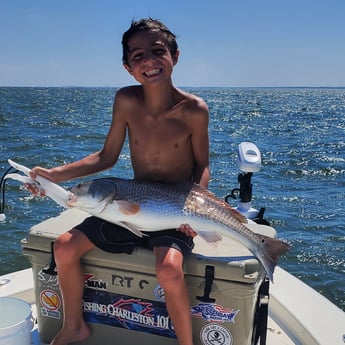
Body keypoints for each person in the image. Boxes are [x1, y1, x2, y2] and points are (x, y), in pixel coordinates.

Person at [28, 18, 210, 345]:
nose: (149, 62)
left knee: (168, 269)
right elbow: (106, 157)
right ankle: (74, 326)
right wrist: (52, 175)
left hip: (172, 210)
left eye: (158, 51)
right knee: (64, 247)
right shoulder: (126, 100)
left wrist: (194, 212)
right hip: (129, 206)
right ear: (127, 68)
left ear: (175, 56)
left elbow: (202, 165)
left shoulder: (194, 110)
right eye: (138, 56)